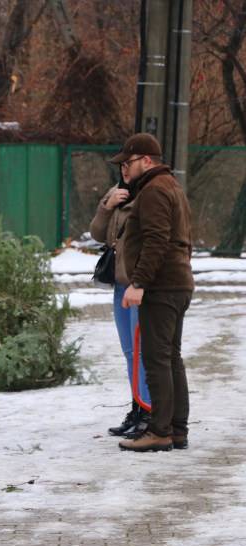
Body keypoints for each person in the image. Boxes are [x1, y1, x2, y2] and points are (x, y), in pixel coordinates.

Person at [109, 133, 194, 453]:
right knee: (170, 357)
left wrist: (139, 282)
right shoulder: (171, 186)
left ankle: (160, 430)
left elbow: (157, 240)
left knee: (156, 358)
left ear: (146, 160)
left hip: (162, 286)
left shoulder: (155, 190)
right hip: (176, 282)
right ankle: (176, 430)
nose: (124, 170)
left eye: (127, 163)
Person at [90, 163, 152, 439]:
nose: (126, 170)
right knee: (129, 352)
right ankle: (137, 407)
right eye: (122, 166)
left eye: (130, 164)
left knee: (142, 352)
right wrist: (107, 205)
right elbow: (96, 233)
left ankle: (149, 410)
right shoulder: (116, 193)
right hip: (119, 284)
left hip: (138, 284)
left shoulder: (150, 195)